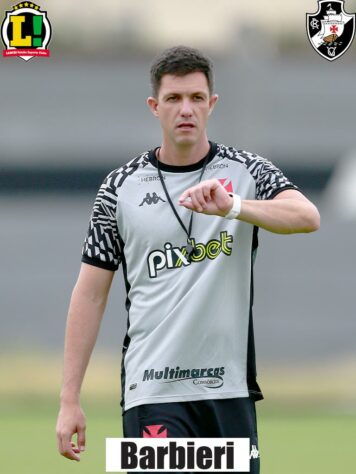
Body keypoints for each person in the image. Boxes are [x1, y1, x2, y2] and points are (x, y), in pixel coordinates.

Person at [56, 45, 320, 473]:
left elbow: (306, 216)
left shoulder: (245, 172)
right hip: (152, 393)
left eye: (197, 98)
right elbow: (89, 295)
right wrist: (69, 399)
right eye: (174, 99)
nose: (186, 109)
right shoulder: (118, 189)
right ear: (154, 106)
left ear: (211, 104)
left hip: (228, 392)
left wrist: (233, 207)